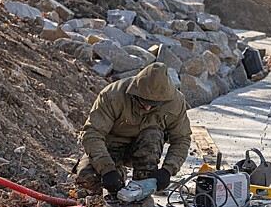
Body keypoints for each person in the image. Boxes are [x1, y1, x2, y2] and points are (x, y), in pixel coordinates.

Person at [76, 62, 192, 199]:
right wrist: (107, 169)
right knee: (87, 179)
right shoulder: (113, 95)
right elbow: (92, 134)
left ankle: (141, 187)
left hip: (146, 148)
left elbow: (181, 138)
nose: (148, 108)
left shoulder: (176, 103)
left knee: (153, 134)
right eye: (143, 101)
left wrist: (168, 170)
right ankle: (118, 172)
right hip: (111, 145)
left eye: (153, 105)